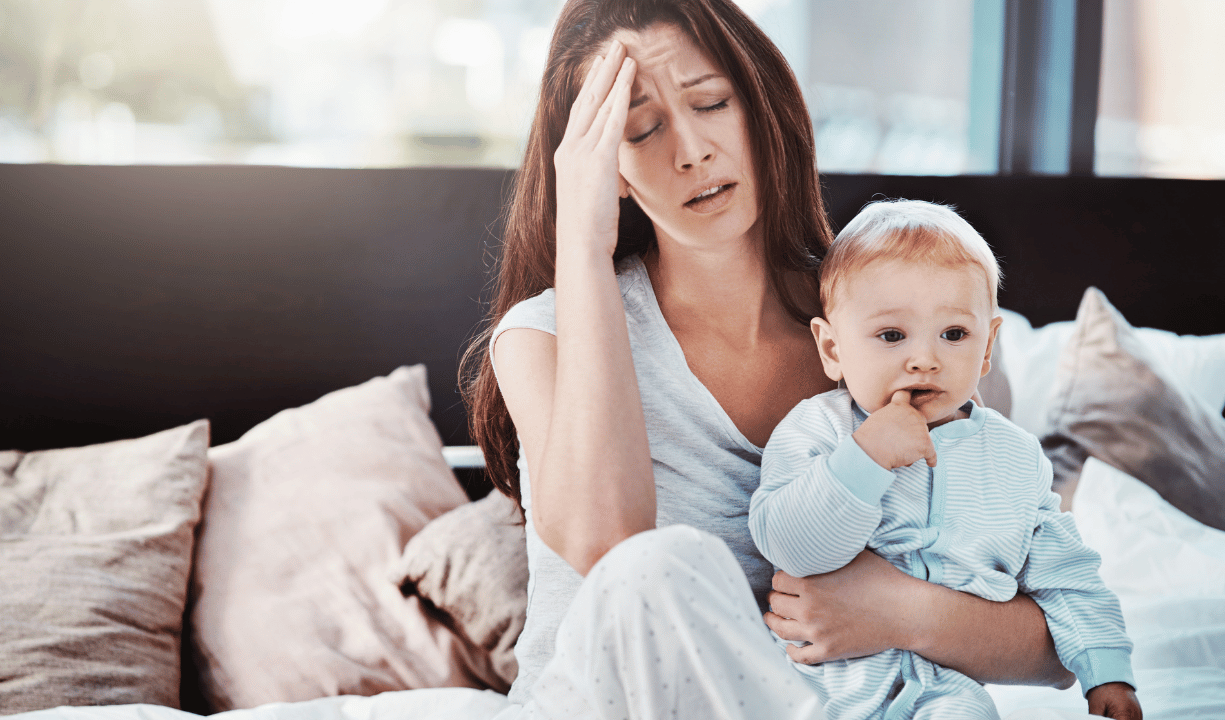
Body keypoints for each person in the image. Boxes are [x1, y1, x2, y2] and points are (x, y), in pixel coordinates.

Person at [462, 1, 1078, 717]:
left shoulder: (903, 340)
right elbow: (611, 549)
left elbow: (1059, 642)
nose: (690, 150)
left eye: (712, 103)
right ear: (611, 172)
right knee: (659, 565)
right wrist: (582, 246)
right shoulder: (542, 336)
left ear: (760, 104)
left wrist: (894, 612)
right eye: (642, 128)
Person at [748, 200, 1143, 720]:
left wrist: (1107, 671)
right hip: (822, 687)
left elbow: (1066, 574)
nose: (925, 358)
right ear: (832, 348)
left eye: (954, 335)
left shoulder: (1015, 459)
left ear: (987, 349)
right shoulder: (818, 429)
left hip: (946, 692)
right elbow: (790, 546)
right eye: (892, 335)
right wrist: (867, 457)